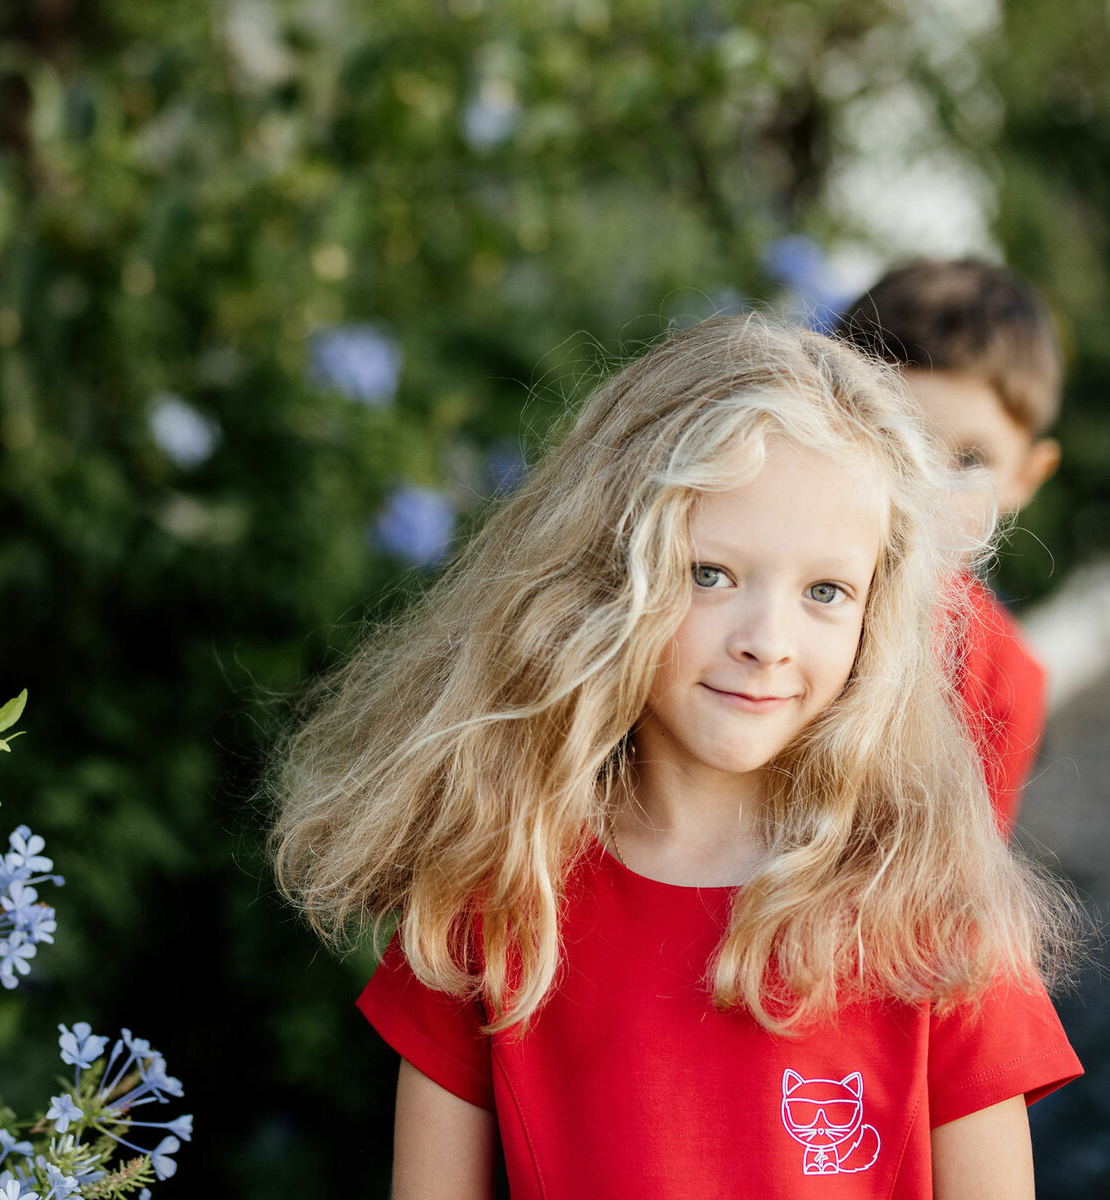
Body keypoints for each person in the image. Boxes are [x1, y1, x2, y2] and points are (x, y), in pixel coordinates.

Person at [270, 316, 1079, 1198]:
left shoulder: (936, 914)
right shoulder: (499, 890)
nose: (767, 641)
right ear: (607, 574)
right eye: (710, 574)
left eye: (825, 591)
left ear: (877, 618)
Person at [835, 260, 1063, 835]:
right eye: (896, 433)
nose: (926, 483)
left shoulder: (1003, 679)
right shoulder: (760, 589)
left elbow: (962, 891)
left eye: (970, 460)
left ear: (1025, 479)